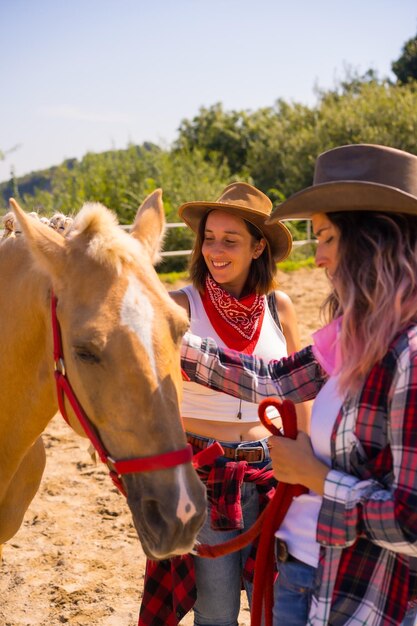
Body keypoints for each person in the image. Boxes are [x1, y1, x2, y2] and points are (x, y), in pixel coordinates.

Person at [180, 144, 417, 626]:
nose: (319, 259)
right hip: (300, 566)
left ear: (372, 240)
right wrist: (169, 335)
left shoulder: (409, 356)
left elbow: (410, 522)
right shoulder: (356, 337)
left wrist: (315, 477)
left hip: (351, 587)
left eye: (326, 238)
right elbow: (273, 379)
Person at [168, 182, 309, 626]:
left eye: (230, 240)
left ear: (257, 246)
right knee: (216, 610)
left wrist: (306, 468)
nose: (215, 250)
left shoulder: (279, 307)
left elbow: (298, 394)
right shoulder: (179, 306)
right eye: (209, 238)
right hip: (204, 475)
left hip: (274, 471)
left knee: (272, 604)